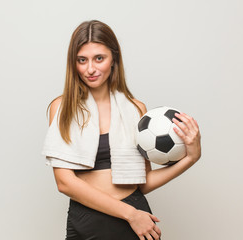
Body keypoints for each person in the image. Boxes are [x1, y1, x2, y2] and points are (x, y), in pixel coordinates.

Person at [42, 20, 201, 240]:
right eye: (82, 60)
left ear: (113, 59)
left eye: (99, 58)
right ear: (73, 63)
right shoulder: (62, 108)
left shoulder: (136, 109)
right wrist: (131, 215)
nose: (90, 68)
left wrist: (191, 158)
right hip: (92, 218)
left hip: (135, 217)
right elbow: (65, 183)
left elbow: (142, 183)